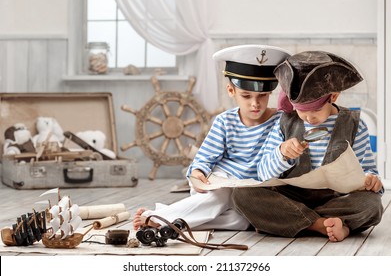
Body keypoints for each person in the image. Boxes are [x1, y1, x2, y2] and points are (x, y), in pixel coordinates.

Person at [133, 45, 291, 231]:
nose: (255, 103)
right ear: (231, 91)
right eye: (246, 96)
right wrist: (197, 171)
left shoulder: (278, 121)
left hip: (249, 192)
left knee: (243, 221)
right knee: (221, 196)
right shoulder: (225, 121)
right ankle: (160, 219)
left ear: (270, 92)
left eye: (262, 95)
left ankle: (173, 218)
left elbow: (270, 168)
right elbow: (205, 157)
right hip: (218, 182)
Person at [232, 51, 384, 242]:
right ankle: (322, 225)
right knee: (242, 194)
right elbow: (262, 173)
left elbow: (368, 170)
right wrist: (281, 154)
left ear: (333, 97)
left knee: (372, 204)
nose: (309, 117)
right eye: (302, 111)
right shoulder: (284, 122)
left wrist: (373, 180)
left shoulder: (355, 125)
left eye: (316, 110)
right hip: (292, 197)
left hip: (335, 200)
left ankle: (290, 221)